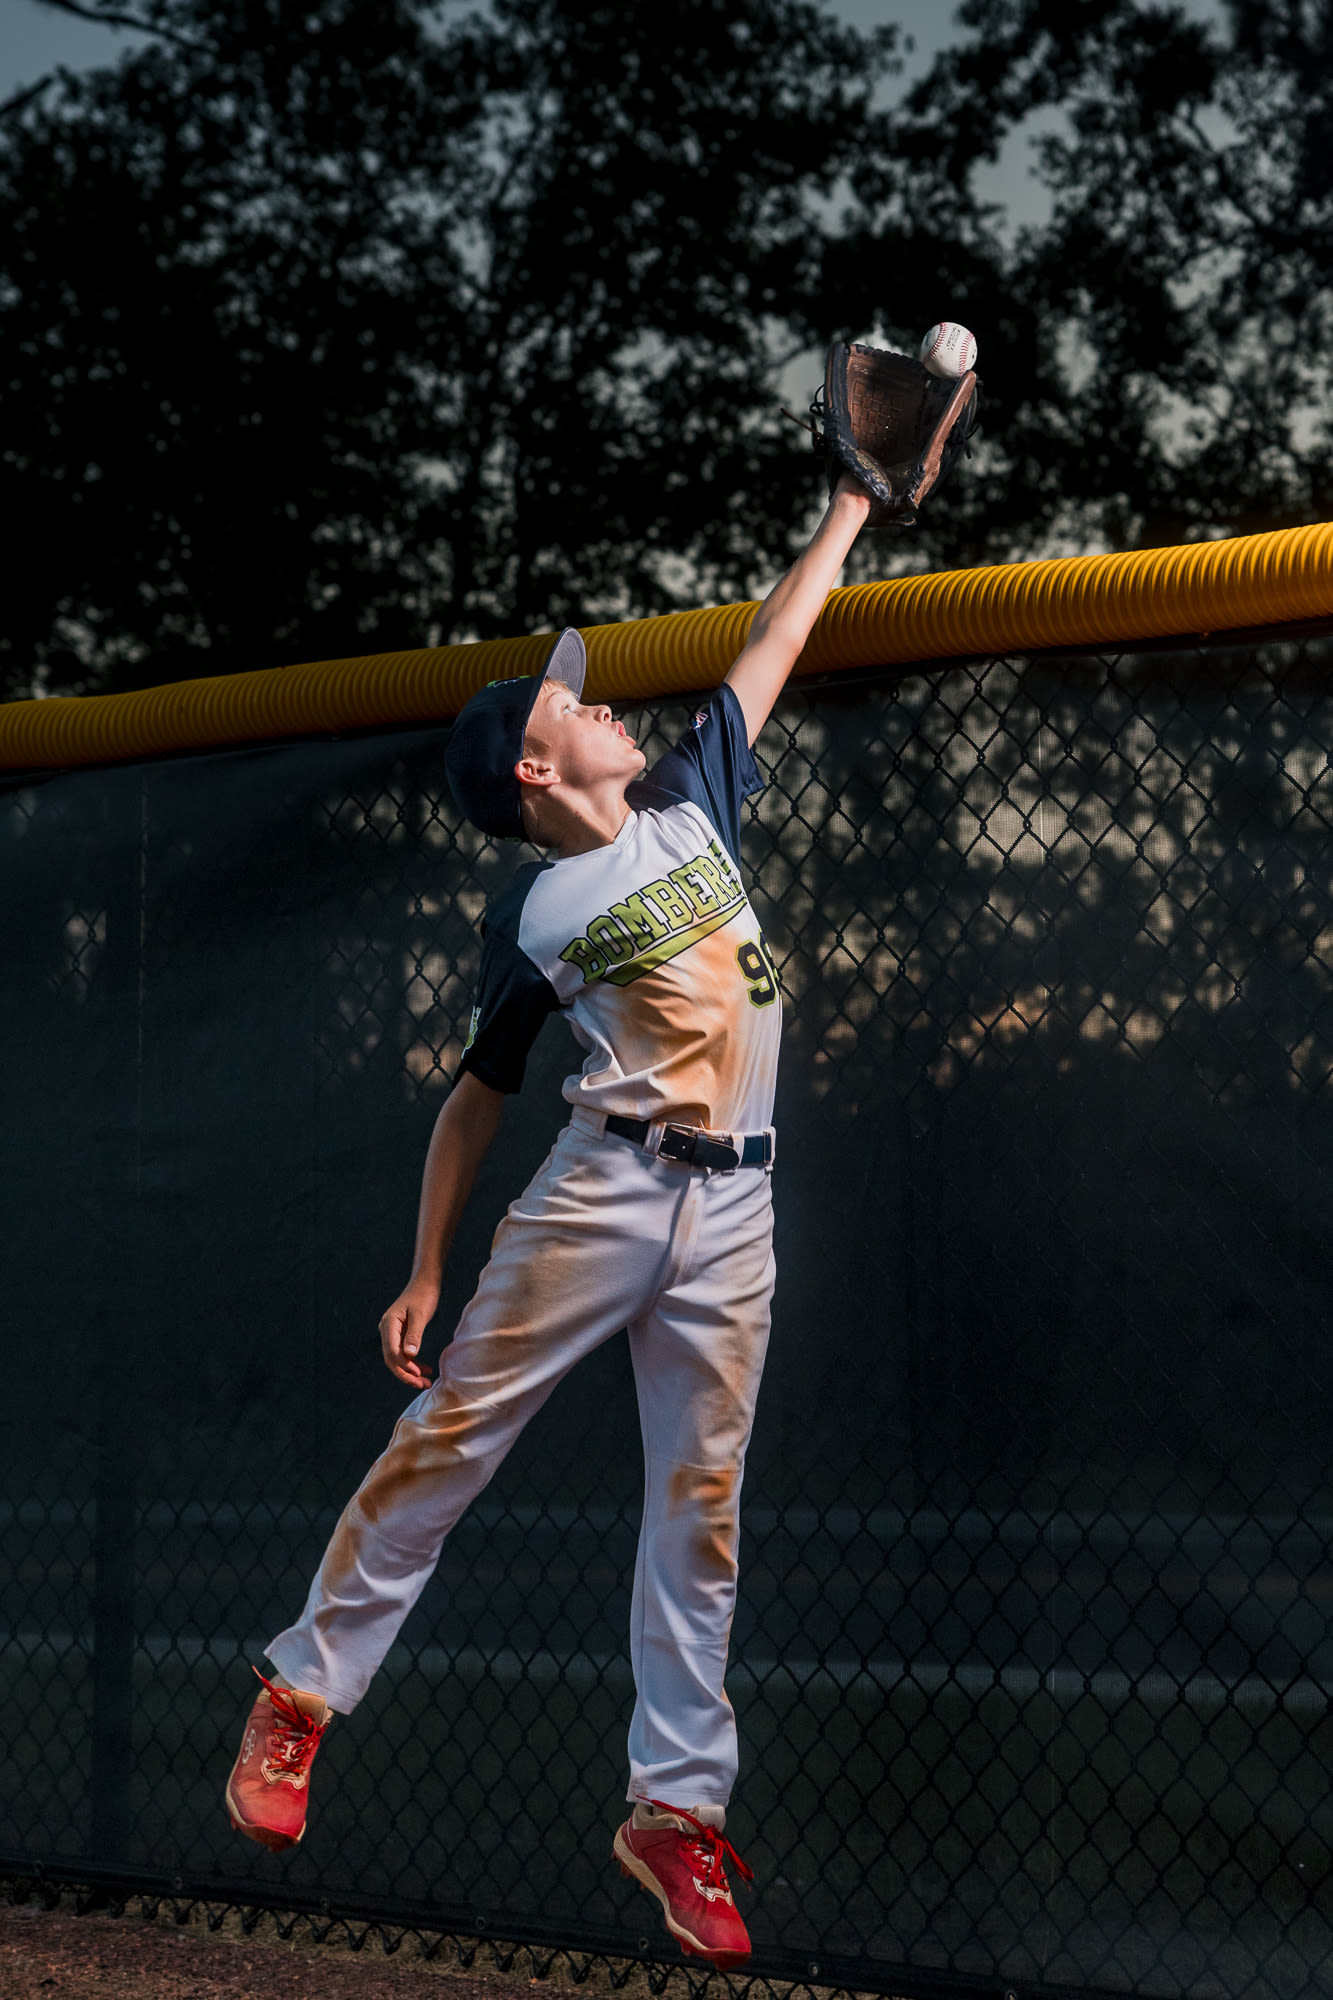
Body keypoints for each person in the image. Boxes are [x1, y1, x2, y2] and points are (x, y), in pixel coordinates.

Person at [224, 473, 873, 1968]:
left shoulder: (692, 799)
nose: (603, 709)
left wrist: (850, 508)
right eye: (574, 708)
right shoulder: (532, 918)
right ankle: (299, 1697)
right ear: (532, 766)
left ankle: (672, 1811)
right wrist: (428, 1262)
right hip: (605, 1188)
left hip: (737, 1208)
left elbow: (772, 644)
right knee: (451, 1436)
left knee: (697, 1517)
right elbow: (475, 1094)